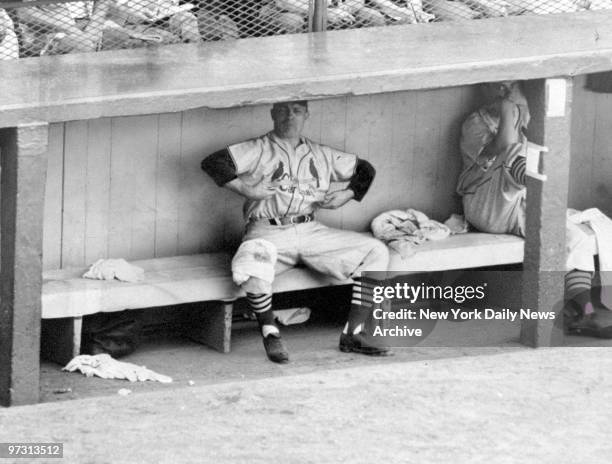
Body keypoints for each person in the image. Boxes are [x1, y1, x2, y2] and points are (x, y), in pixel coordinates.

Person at [201, 101, 391, 363]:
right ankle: (270, 333)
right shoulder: (258, 148)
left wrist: (346, 195)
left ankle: (355, 333)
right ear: (273, 114)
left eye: (297, 110)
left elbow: (365, 170)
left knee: (375, 250)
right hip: (267, 230)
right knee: (251, 263)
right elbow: (214, 162)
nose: (290, 115)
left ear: (306, 115)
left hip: (311, 229)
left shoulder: (321, 153)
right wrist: (246, 189)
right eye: (284, 110)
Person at [456, 80, 612, 338]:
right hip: (486, 208)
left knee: (578, 237)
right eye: (502, 89)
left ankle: (584, 314)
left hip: (519, 206)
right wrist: (507, 108)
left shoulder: (521, 120)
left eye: (511, 89)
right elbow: (504, 146)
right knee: (517, 151)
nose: (507, 94)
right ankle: (541, 189)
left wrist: (516, 113)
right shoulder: (474, 123)